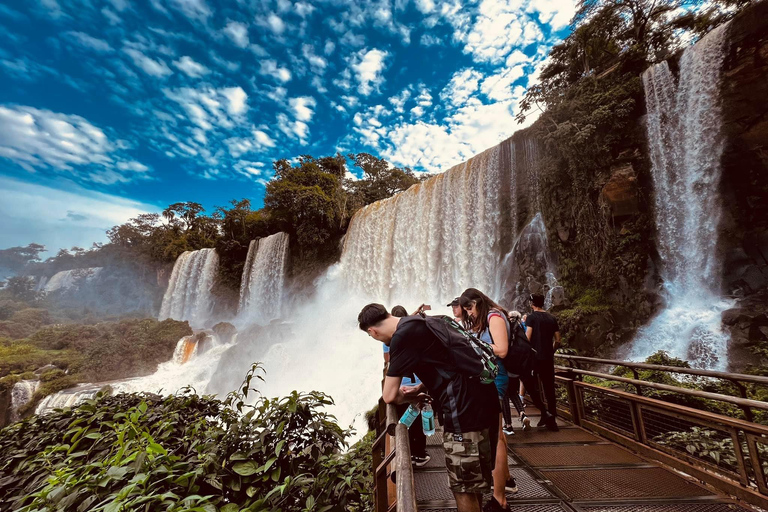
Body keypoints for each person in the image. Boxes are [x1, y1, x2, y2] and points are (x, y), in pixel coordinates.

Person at [359, 303, 499, 512]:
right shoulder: (426, 321)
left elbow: (389, 395)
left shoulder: (402, 337)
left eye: (372, 337)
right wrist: (423, 387)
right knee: (474, 483)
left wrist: (410, 395)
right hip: (485, 400)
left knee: (463, 487)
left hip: (462, 412)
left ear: (372, 331)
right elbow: (446, 363)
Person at [459, 288, 517, 512]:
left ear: (478, 302)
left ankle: (499, 498)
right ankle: (506, 480)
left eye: (470, 308)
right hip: (490, 378)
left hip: (497, 379)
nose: (470, 314)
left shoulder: (493, 316)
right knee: (499, 435)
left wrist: (471, 345)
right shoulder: (488, 316)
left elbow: (501, 350)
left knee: (497, 439)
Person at [385, 305, 430, 467]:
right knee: (418, 418)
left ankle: (408, 453)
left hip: (401, 384)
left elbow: (387, 360)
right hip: (417, 382)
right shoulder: (413, 335)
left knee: (406, 419)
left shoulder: (390, 340)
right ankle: (420, 453)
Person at [526, 294, 561, 428]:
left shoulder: (531, 318)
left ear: (531, 303)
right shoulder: (552, 318)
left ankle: (543, 412)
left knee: (532, 388)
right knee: (549, 388)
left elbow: (527, 338)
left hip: (535, 358)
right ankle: (552, 420)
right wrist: (551, 351)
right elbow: (558, 340)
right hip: (548, 358)